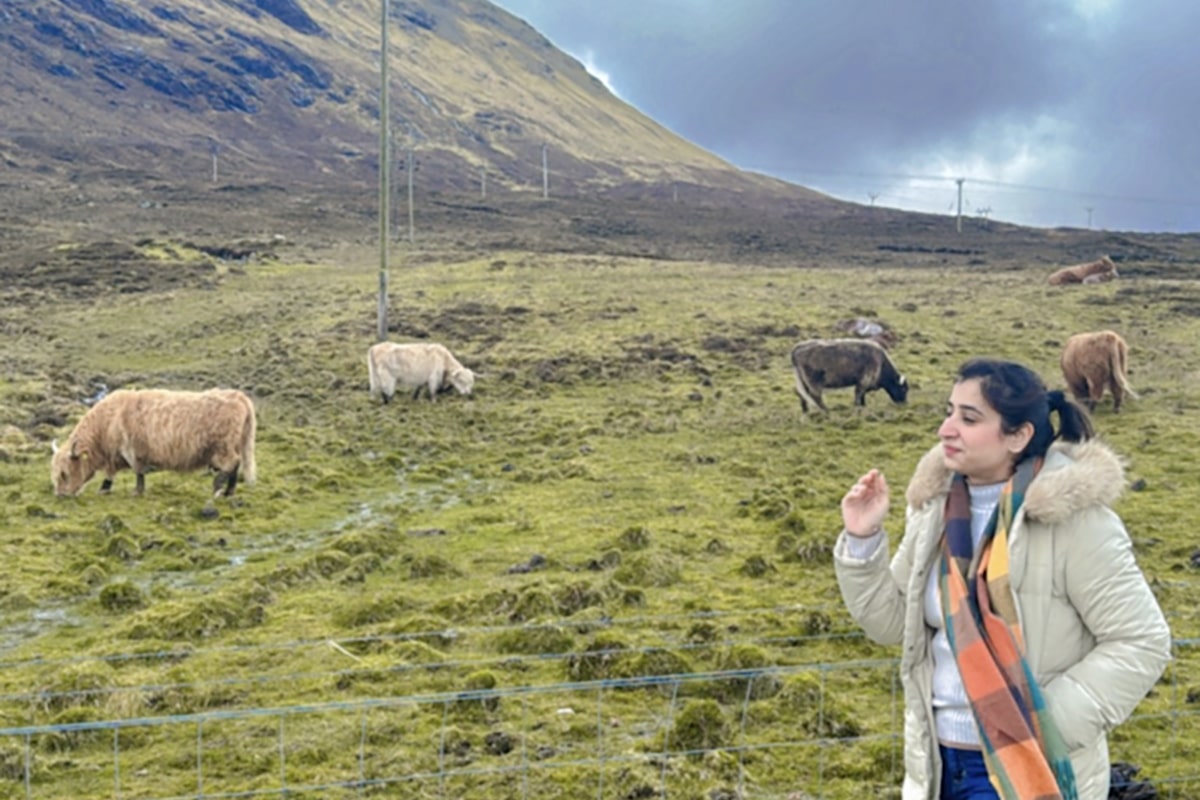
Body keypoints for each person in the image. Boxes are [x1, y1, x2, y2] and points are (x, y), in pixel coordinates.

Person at [834, 358, 1170, 800]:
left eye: (969, 418)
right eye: (949, 412)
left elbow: (1141, 640)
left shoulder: (1076, 521)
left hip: (1027, 765)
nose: (946, 429)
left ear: (1018, 436)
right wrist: (863, 539)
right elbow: (894, 624)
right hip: (935, 762)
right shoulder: (935, 510)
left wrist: (1047, 722)